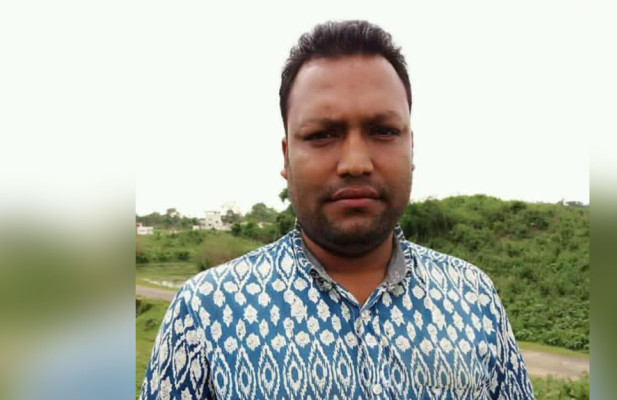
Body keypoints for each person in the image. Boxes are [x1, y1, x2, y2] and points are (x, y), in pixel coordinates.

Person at [140, 20, 535, 400]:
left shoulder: (473, 298)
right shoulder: (205, 313)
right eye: (322, 135)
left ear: (411, 147)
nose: (355, 163)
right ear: (286, 156)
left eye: (383, 131)